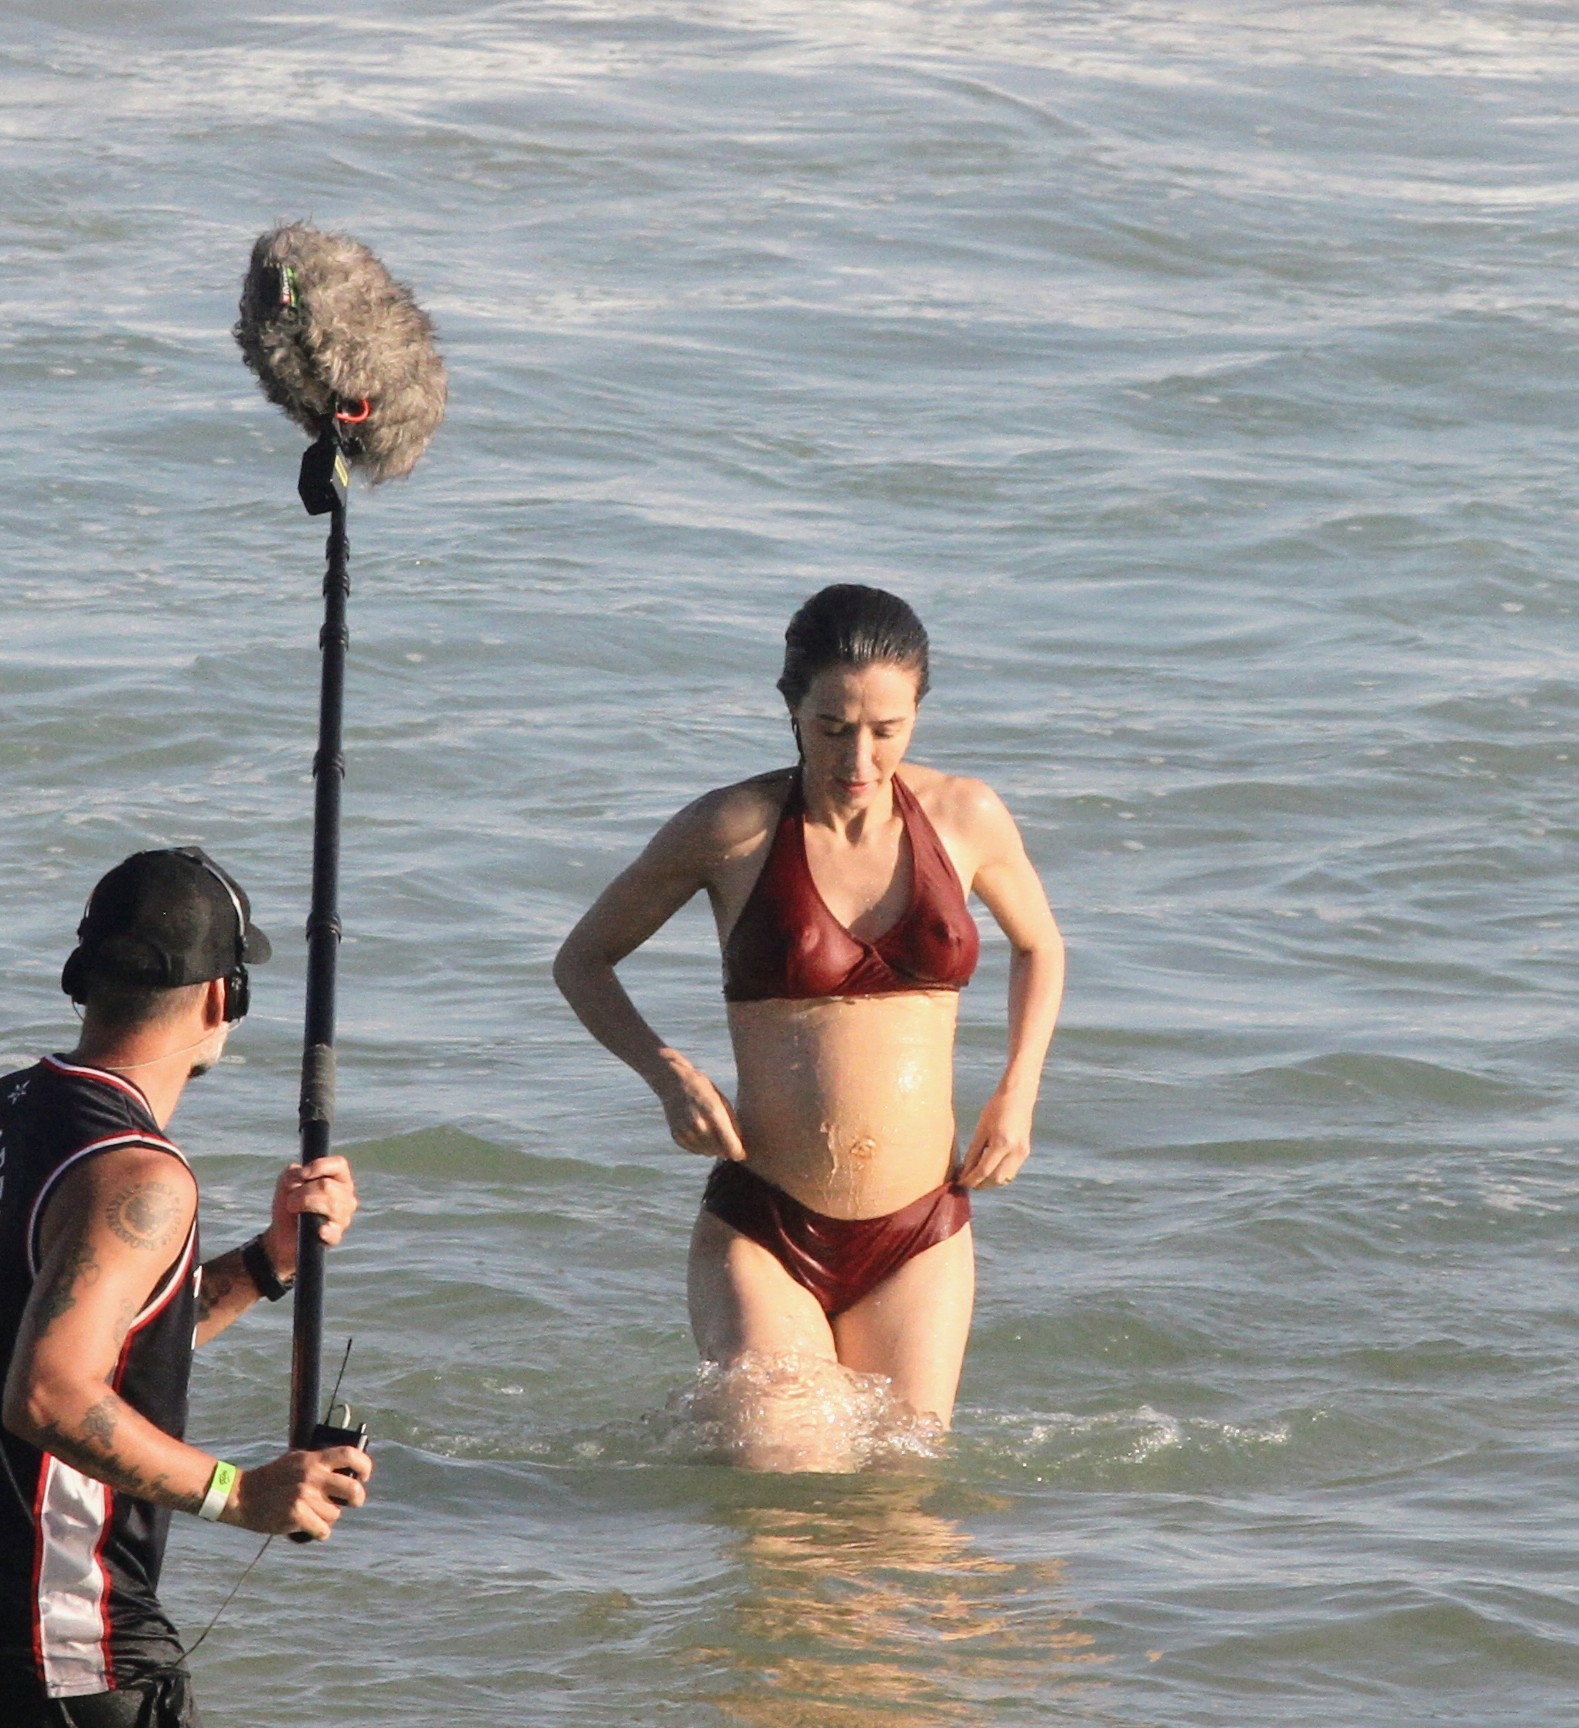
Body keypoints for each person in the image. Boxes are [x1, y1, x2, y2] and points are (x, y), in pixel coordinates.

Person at [555, 585, 1064, 1468]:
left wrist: (1017, 1091)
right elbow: (584, 959)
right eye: (832, 728)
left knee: (899, 1503)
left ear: (916, 714)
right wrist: (667, 1070)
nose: (859, 759)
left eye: (886, 730)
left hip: (920, 1231)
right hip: (768, 1227)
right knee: (787, 1481)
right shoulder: (733, 830)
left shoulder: (965, 817)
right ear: (791, 708)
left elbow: (1040, 947)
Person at [1, 847, 372, 1727]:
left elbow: (86, 1333)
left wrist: (264, 1264)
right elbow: (51, 1392)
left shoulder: (15, 1108)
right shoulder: (140, 1177)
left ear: (82, 978)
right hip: (68, 1649)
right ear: (222, 998)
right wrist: (239, 1494)